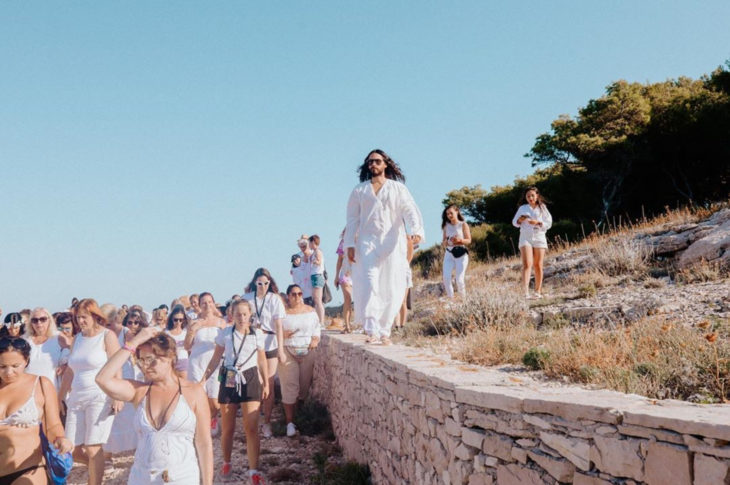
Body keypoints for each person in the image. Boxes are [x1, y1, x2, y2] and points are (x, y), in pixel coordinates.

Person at [95, 327, 214, 485]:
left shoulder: (194, 392)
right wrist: (134, 341)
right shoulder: (139, 391)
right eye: (141, 360)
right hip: (142, 477)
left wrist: (207, 483)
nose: (145, 366)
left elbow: (204, 443)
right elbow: (102, 379)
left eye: (151, 359)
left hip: (182, 477)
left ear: (170, 357)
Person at [344, 149, 424, 345]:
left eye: (377, 161)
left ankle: (385, 331)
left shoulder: (398, 189)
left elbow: (410, 210)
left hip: (393, 242)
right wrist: (349, 244)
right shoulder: (359, 190)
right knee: (370, 283)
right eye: (370, 162)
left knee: (392, 285)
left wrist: (417, 230)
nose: (373, 165)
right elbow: (352, 219)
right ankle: (371, 329)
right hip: (367, 242)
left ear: (385, 164)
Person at [201, 300, 268, 482]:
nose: (241, 318)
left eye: (245, 314)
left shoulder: (257, 334)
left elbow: (261, 359)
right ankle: (227, 461)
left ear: (250, 315)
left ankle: (254, 471)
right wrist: (203, 380)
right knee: (228, 427)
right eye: (238, 314)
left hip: (250, 376)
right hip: (229, 376)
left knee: (251, 426)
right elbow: (216, 359)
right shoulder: (225, 334)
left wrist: (266, 382)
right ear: (231, 315)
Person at [58, 298, 121, 485]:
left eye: (84, 317)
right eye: (77, 318)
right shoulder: (77, 339)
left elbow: (117, 364)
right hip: (76, 396)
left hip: (100, 395)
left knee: (93, 447)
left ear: (95, 316)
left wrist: (117, 395)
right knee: (71, 447)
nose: (80, 322)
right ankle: (97, 464)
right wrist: (60, 396)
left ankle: (95, 481)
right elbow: (70, 370)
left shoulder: (107, 336)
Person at [0, 336, 73, 484]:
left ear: (26, 361)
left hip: (28, 468)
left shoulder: (40, 384)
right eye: (2, 367)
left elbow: (52, 425)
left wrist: (60, 438)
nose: (8, 372)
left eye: (15, 366)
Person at [243, 268, 286, 438]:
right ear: (254, 282)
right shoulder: (247, 299)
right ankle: (253, 420)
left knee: (268, 383)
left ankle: (267, 422)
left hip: (270, 343)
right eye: (260, 283)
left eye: (266, 283)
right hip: (251, 343)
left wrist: (281, 350)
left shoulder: (274, 299)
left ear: (270, 283)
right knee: (255, 383)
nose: (263, 286)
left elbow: (279, 326)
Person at [279, 285, 320, 437]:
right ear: (288, 296)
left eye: (300, 293)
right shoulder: (282, 313)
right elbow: (274, 330)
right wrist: (282, 334)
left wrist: (315, 338)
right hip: (288, 350)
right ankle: (289, 422)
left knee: (303, 387)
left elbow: (317, 327)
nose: (297, 297)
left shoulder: (310, 311)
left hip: (307, 351)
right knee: (290, 386)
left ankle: (300, 417)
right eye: (294, 294)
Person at [105, 309, 147, 455]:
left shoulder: (125, 332)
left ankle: (136, 447)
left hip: (125, 369)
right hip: (108, 370)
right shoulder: (104, 333)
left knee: (128, 412)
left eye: (109, 322)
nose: (107, 325)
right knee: (110, 415)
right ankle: (109, 451)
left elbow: (134, 352)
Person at [184, 292, 226, 437]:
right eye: (204, 303)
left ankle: (213, 417)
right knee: (199, 396)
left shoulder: (221, 323)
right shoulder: (194, 322)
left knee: (214, 400)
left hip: (216, 364)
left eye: (210, 302)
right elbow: (187, 346)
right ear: (199, 306)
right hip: (197, 363)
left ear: (213, 303)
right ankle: (201, 424)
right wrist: (191, 331)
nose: (207, 305)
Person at [512, 186, 553, 299]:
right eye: (528, 196)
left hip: (539, 236)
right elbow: (514, 222)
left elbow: (548, 223)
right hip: (525, 236)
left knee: (538, 264)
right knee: (527, 263)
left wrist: (538, 222)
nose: (530, 198)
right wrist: (520, 220)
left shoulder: (542, 208)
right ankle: (525, 292)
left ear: (537, 196)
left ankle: (537, 291)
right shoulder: (522, 208)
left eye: (532, 195)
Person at [24, 307, 67, 390]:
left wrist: (65, 365)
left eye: (43, 319)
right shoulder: (25, 340)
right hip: (29, 389)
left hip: (52, 389)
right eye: (34, 320)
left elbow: (72, 357)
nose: (39, 323)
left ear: (49, 320)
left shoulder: (58, 337)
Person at [442, 204, 472, 299]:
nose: (449, 215)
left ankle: (463, 300)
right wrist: (446, 242)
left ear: (457, 211)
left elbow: (469, 240)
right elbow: (443, 242)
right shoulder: (446, 226)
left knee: (459, 279)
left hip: (461, 254)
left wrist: (460, 240)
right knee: (446, 278)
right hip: (449, 254)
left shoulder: (463, 224)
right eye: (447, 214)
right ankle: (451, 299)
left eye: (451, 213)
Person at [334, 229, 354, 333]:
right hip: (346, 274)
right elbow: (339, 260)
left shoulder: (361, 241)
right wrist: (336, 276)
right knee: (348, 298)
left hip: (358, 274)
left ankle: (366, 326)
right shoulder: (343, 243)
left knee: (361, 300)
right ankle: (347, 325)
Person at [166, 305, 190, 379]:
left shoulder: (186, 333)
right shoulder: (166, 333)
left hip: (183, 361)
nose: (178, 322)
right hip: (170, 361)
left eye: (181, 320)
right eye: (176, 320)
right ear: (172, 319)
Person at [308, 235, 326, 325]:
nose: (309, 245)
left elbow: (318, 262)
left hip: (317, 276)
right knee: (316, 299)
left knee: (318, 299)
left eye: (309, 243)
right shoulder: (314, 252)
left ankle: (321, 321)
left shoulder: (318, 252)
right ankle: (318, 320)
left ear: (313, 242)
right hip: (314, 275)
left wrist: (314, 261)